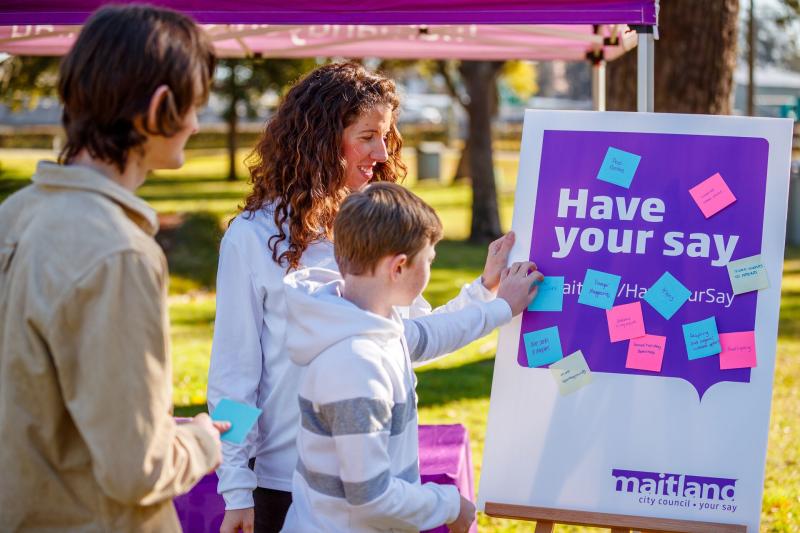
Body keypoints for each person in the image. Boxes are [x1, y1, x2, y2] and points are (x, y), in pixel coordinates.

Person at [208, 62, 517, 533]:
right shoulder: (251, 239)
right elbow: (233, 377)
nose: (380, 151)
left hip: (373, 480)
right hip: (281, 483)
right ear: (321, 136)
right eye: (367, 135)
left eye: (385, 136)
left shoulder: (370, 228)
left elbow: (412, 337)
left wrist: (485, 290)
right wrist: (235, 486)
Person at [0, 5, 228, 531]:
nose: (195, 124)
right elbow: (136, 468)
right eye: (193, 106)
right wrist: (200, 441)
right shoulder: (119, 252)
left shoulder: (16, 215)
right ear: (159, 108)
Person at [280, 183, 541, 532]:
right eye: (429, 260)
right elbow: (372, 499)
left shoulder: (372, 323)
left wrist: (490, 295)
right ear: (399, 267)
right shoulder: (356, 364)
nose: (431, 268)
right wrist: (450, 505)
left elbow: (433, 333)